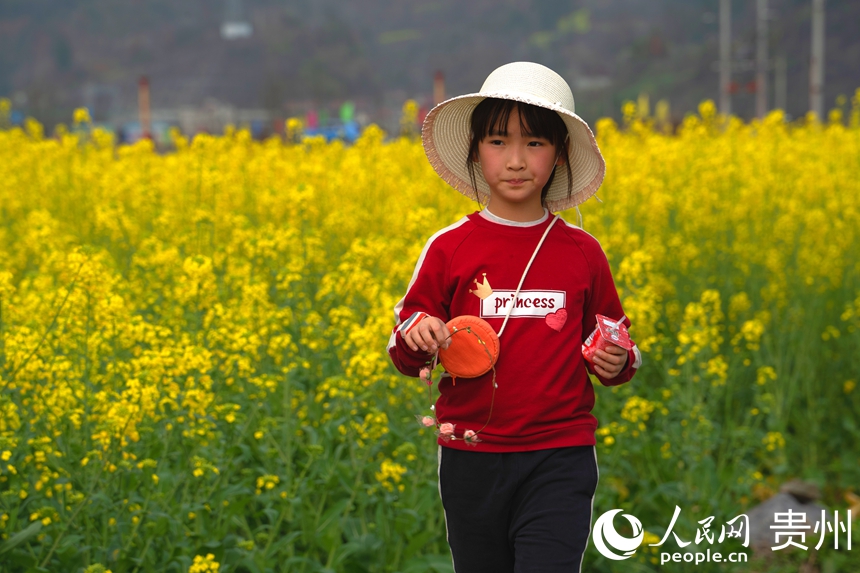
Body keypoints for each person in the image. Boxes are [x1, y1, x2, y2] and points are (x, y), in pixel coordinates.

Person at [387, 61, 642, 572]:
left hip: (560, 452)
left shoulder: (583, 252)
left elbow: (613, 339)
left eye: (536, 144)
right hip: (471, 453)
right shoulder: (448, 247)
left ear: (560, 154)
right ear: (476, 151)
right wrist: (420, 333)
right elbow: (404, 339)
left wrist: (620, 361)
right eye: (499, 142)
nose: (517, 160)